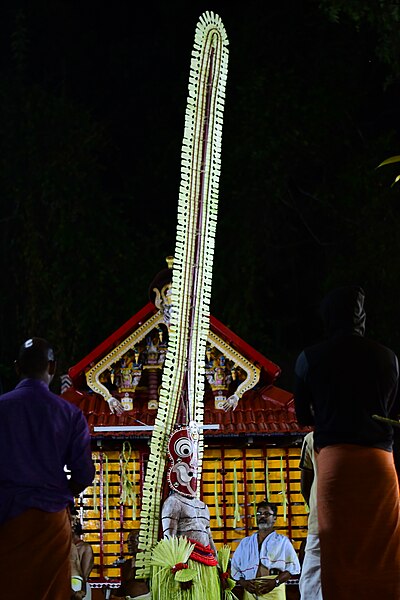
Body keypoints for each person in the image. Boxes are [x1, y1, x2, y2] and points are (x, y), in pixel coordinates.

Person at [294, 286, 400, 599]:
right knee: (383, 553)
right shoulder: (389, 358)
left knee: (338, 555)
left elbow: (303, 416)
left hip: (336, 463)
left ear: (327, 316)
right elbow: (391, 412)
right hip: (379, 464)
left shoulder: (309, 358)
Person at [0, 337, 95, 600]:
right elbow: (84, 474)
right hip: (49, 520)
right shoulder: (68, 413)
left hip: (6, 518)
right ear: (52, 367)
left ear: (17, 367)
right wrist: (63, 490)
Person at [231, 500, 300, 599]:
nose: (262, 517)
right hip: (250, 589)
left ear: (274, 518)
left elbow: (294, 568)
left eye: (266, 514)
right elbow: (235, 568)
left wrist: (275, 582)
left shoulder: (282, 541)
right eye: (259, 514)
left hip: (274, 588)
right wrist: (244, 583)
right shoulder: (245, 543)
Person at [298, 432, 322, 600]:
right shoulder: (372, 431)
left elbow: (305, 486)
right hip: (365, 525)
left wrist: (316, 507)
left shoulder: (313, 437)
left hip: (320, 523)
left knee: (311, 585)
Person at [111, 530, 151, 600]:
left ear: (142, 543)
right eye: (128, 542)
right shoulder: (126, 564)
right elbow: (124, 585)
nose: (128, 544)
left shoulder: (149, 563)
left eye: (132, 541)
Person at [71, 517, 94, 599]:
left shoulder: (85, 547)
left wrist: (81, 591)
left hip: (80, 588)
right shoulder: (66, 546)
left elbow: (84, 575)